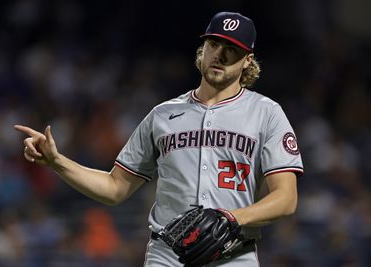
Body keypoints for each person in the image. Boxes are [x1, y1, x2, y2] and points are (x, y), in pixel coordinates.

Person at [15, 11, 304, 267]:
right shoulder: (163, 115)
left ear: (247, 62)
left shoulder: (266, 113)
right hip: (167, 255)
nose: (220, 55)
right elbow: (114, 188)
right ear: (203, 50)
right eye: (214, 45)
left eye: (232, 49)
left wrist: (233, 218)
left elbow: (286, 198)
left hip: (233, 254)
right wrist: (56, 161)